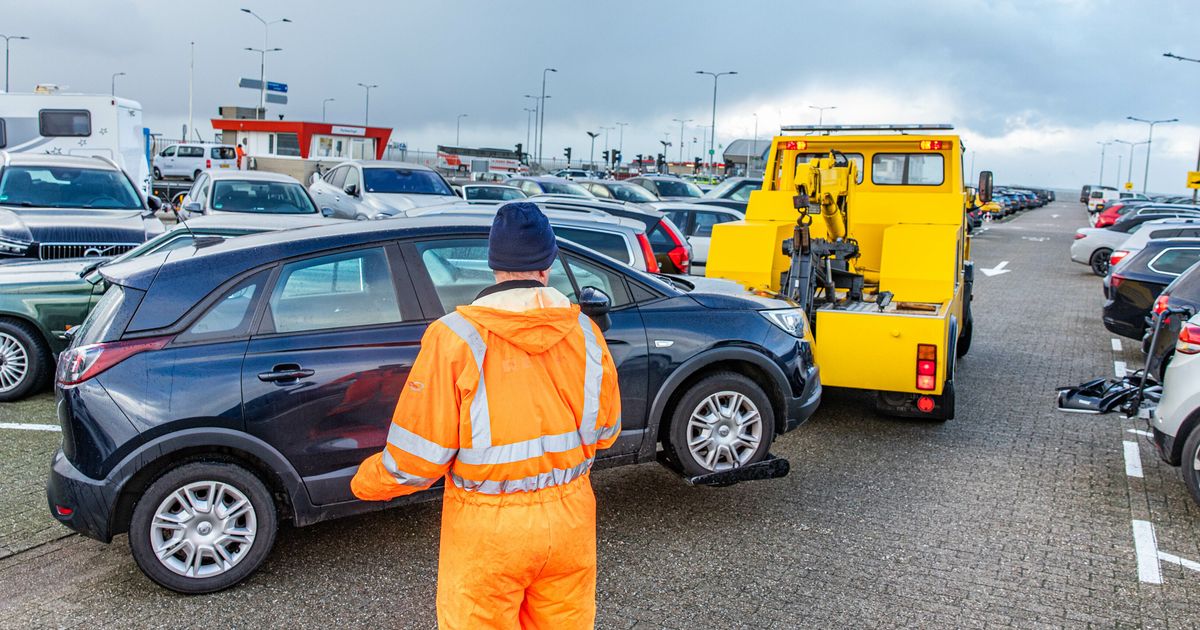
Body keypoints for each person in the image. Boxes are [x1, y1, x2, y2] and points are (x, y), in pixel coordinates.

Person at [352, 202, 622, 629]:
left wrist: (366, 482)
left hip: (489, 530)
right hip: (571, 519)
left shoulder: (454, 337)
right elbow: (606, 431)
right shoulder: (587, 334)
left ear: (494, 265)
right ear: (547, 264)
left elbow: (416, 460)